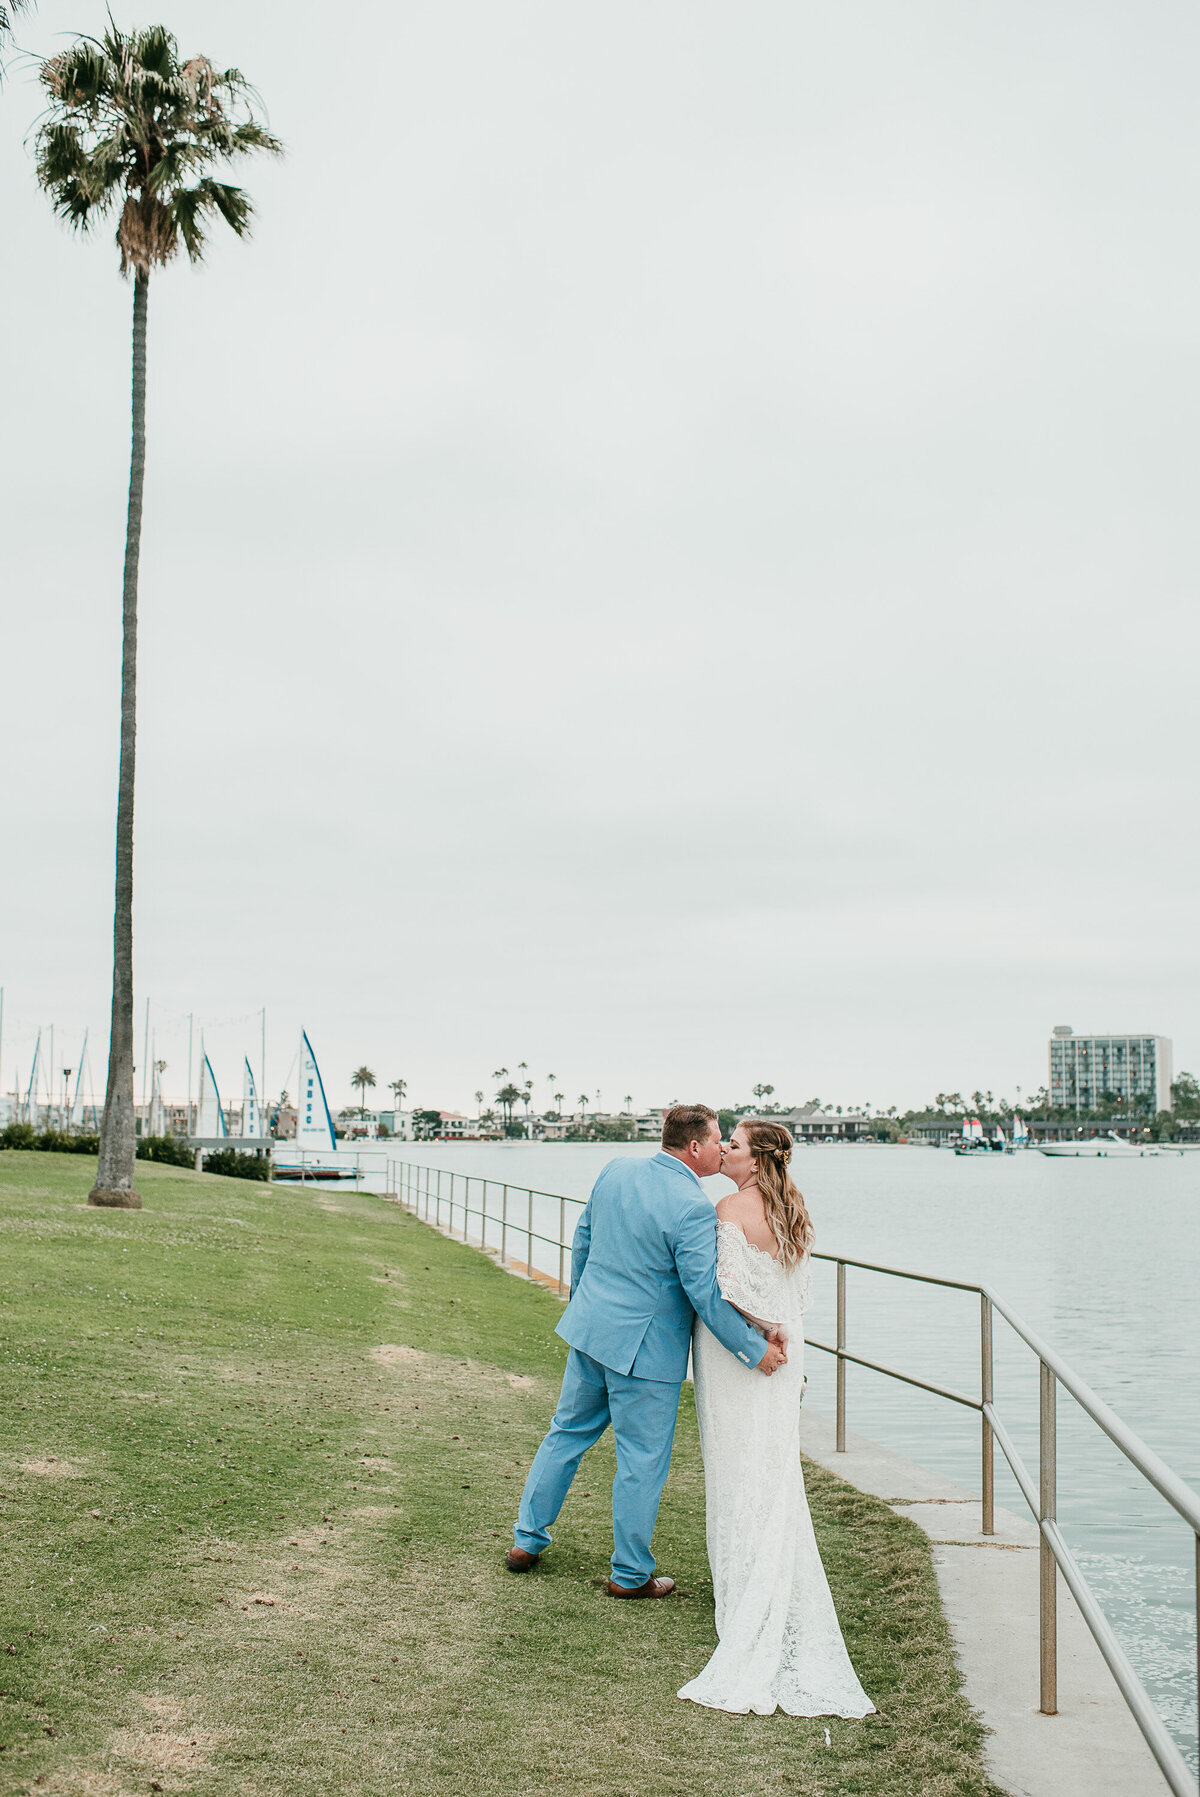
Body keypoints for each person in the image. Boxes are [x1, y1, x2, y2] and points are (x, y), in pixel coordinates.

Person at [506, 1104, 788, 1598]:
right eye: (718, 1139)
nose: (723, 1147)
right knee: (642, 1461)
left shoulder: (616, 1169)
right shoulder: (693, 1206)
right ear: (695, 1147)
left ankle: (526, 1541)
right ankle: (630, 1575)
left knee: (565, 1434)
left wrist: (584, 1306)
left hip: (592, 1331)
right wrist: (752, 1349)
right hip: (645, 1352)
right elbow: (704, 1292)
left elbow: (583, 1240)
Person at [678, 1118, 875, 1717]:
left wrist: (764, 1334)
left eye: (733, 1144)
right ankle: (753, 1584)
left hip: (744, 1352)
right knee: (772, 1468)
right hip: (789, 1349)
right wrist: (785, 1331)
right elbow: (800, 1292)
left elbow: (729, 1290)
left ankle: (744, 1597)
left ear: (756, 1159)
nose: (725, 1150)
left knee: (738, 1465)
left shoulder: (730, 1207)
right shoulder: (794, 1208)